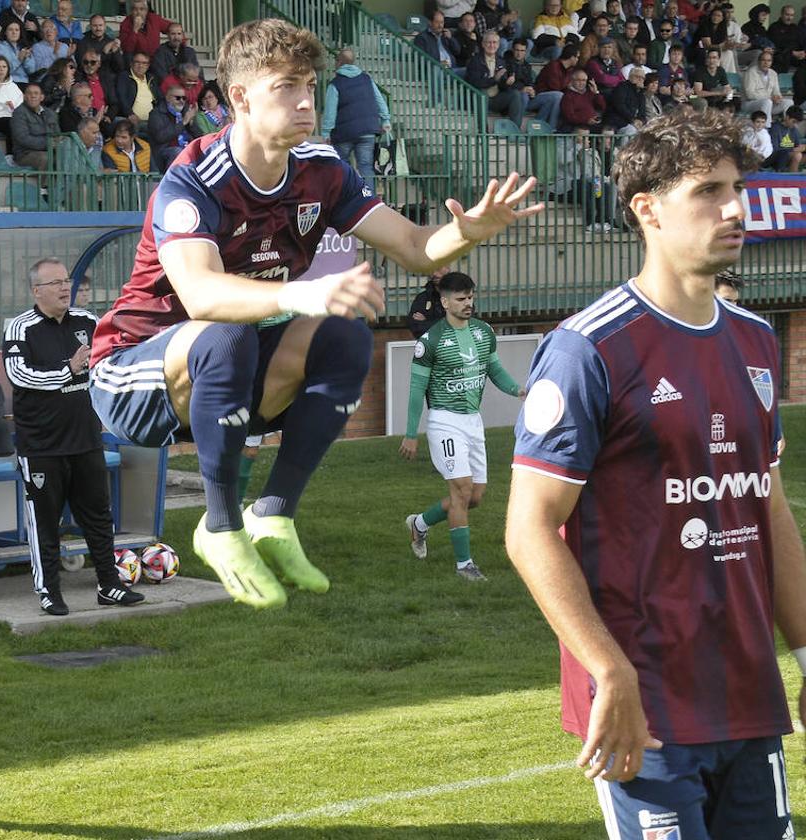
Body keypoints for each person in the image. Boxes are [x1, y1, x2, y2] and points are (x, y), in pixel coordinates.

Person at [88, 19, 541, 609]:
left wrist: (466, 231)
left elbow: (411, 246)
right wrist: (305, 295)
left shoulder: (322, 169)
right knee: (227, 333)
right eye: (286, 86)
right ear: (241, 98)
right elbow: (201, 296)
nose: (307, 100)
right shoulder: (194, 180)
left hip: (230, 377)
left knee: (347, 337)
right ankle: (219, 526)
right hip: (132, 377)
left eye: (310, 83)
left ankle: (274, 515)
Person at [505, 107, 803, 840]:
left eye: (737, 187)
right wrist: (610, 672)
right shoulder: (590, 349)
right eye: (707, 190)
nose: (734, 208)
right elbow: (529, 530)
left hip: (745, 691)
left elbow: (766, 503)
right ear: (648, 210)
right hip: (649, 704)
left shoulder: (759, 342)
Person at [2, 259, 144, 615]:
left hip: (85, 439)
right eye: (55, 283)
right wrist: (69, 369)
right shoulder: (21, 328)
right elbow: (21, 376)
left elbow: (108, 361)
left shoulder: (88, 322)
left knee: (98, 516)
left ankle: (109, 585)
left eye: (67, 281)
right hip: (42, 445)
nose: (65, 288)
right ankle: (49, 591)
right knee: (45, 521)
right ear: (37, 291)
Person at [400, 272, 523, 582]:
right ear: (444, 302)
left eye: (470, 297)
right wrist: (411, 434)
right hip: (444, 421)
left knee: (474, 497)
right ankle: (464, 565)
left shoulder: (484, 332)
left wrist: (519, 391)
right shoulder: (431, 341)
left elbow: (494, 369)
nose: (468, 303)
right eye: (460, 298)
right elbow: (417, 390)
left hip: (473, 420)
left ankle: (420, 525)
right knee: (461, 489)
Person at [320, 48, 392, 187]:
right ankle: (368, 200)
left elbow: (330, 111)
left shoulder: (335, 84)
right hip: (367, 131)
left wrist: (326, 133)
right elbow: (379, 100)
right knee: (366, 167)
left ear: (338, 62)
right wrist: (385, 120)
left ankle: (347, 199)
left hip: (344, 133)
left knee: (343, 167)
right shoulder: (366, 79)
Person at [466, 32, 527, 127]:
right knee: (483, 94)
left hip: (496, 99)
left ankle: (514, 132)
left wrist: (507, 83)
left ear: (498, 45)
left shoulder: (501, 61)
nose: (492, 45)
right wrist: (494, 79)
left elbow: (502, 85)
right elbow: (474, 83)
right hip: (479, 99)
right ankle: (483, 131)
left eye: (494, 42)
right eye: (489, 42)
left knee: (515, 94)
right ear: (483, 44)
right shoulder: (475, 61)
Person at [505, 36, 563, 127]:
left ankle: (537, 127)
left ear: (526, 52)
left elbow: (530, 82)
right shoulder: (505, 63)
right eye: (517, 50)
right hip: (515, 99)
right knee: (523, 95)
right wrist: (521, 89)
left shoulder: (527, 66)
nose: (519, 53)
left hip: (529, 98)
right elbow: (503, 86)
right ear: (512, 50)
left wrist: (532, 90)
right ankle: (516, 127)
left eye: (522, 51)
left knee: (557, 96)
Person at [147, 83, 203, 172]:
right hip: (165, 150)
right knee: (177, 152)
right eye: (178, 98)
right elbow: (161, 137)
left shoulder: (185, 112)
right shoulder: (156, 113)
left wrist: (191, 122)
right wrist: (184, 122)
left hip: (186, 146)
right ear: (168, 98)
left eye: (184, 98)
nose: (181, 101)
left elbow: (199, 136)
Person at [11, 82, 59, 169]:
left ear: (42, 97)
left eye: (36, 93)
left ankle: (69, 182)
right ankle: (44, 183)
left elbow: (57, 135)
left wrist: (57, 142)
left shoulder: (51, 114)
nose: (33, 96)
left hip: (49, 151)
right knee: (45, 158)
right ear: (24, 97)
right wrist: (48, 143)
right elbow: (23, 138)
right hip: (25, 154)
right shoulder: (19, 113)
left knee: (68, 156)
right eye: (29, 93)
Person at [115, 51, 159, 132]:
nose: (140, 66)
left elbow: (159, 98)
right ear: (131, 64)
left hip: (151, 122)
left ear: (148, 65)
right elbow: (121, 97)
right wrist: (129, 113)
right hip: (131, 121)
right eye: (137, 62)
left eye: (144, 63)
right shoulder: (125, 77)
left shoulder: (151, 78)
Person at [742, 49, 791, 117]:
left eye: (769, 61)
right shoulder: (751, 72)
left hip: (768, 103)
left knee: (789, 102)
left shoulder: (773, 73)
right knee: (767, 102)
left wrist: (778, 98)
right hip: (750, 103)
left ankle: (786, 125)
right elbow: (750, 95)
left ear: (771, 62)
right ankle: (766, 126)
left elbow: (776, 91)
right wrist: (770, 98)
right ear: (759, 61)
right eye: (763, 60)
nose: (766, 63)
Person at [407, 272, 446, 339]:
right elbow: (415, 326)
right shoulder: (422, 297)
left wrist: (426, 321)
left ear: (448, 268)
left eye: (439, 268)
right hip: (429, 344)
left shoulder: (458, 296)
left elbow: (456, 324)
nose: (435, 274)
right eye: (432, 270)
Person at [766, 104, 804, 170]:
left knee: (798, 154)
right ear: (787, 117)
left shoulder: (794, 129)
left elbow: (797, 146)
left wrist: (802, 148)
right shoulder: (775, 128)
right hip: (777, 157)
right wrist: (793, 150)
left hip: (789, 154)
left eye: (797, 123)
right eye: (793, 121)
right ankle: (792, 178)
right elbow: (775, 150)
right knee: (797, 155)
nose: (795, 124)